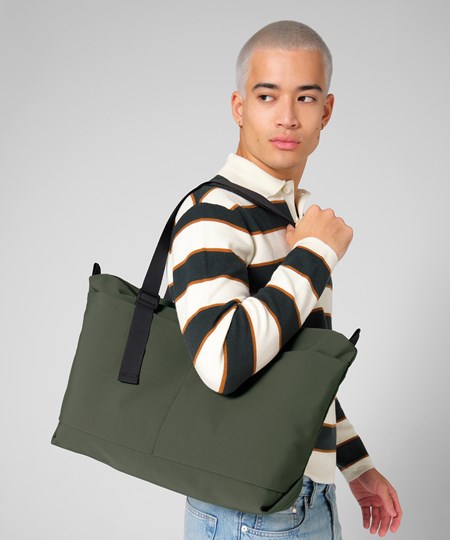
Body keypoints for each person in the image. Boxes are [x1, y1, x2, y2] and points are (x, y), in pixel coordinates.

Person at [166, 20, 402, 539]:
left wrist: (356, 466)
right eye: (267, 96)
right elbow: (223, 363)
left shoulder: (288, 217)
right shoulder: (215, 212)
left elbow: (292, 371)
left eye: (306, 98)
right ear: (239, 107)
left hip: (300, 496)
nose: (288, 117)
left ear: (326, 111)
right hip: (251, 509)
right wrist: (314, 254)